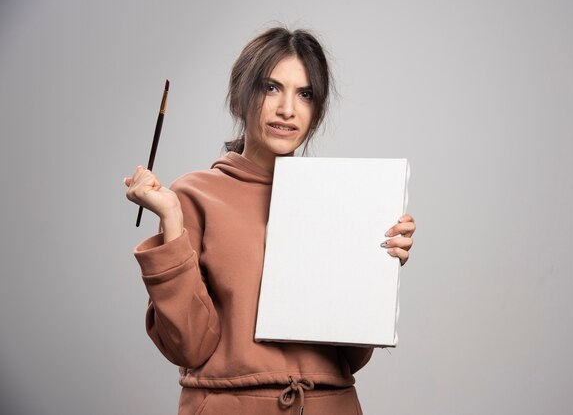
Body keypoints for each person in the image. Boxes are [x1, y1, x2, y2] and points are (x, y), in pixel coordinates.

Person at [123, 27, 415, 415]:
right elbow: (187, 347)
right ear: (240, 98)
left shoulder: (342, 196)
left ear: (317, 109)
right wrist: (172, 220)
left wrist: (379, 269)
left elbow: (352, 356)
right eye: (271, 88)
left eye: (305, 94)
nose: (287, 110)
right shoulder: (194, 194)